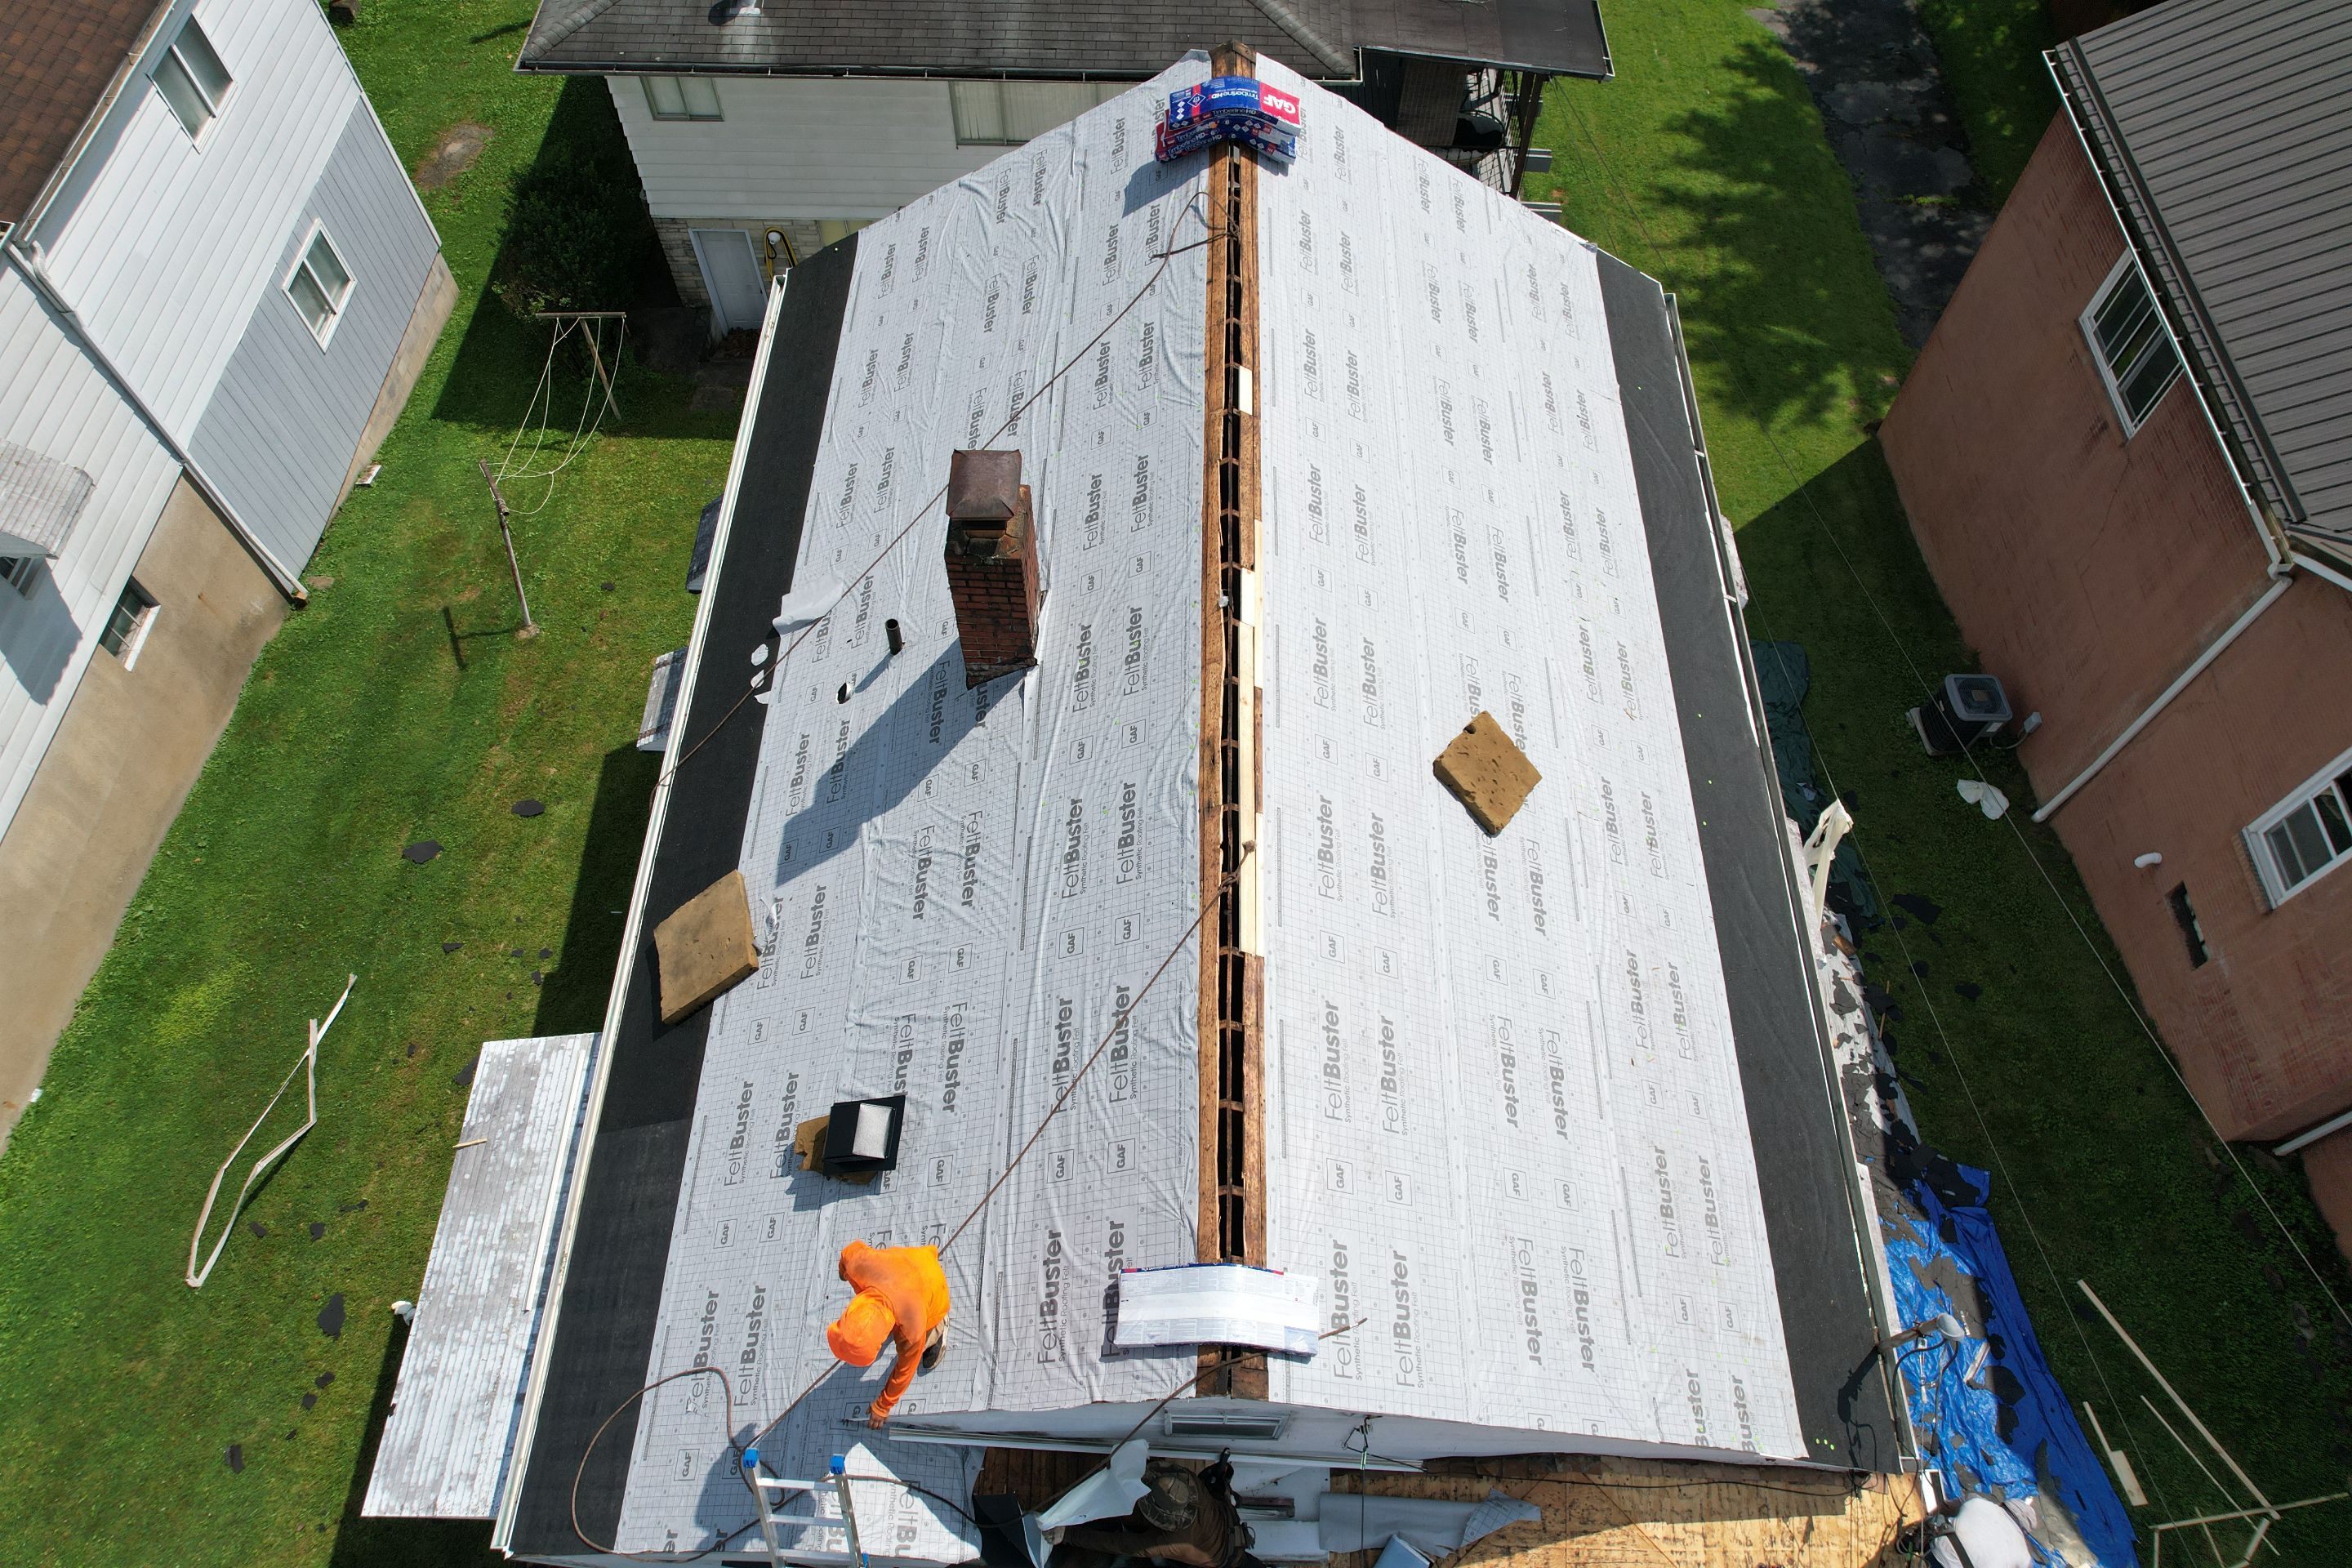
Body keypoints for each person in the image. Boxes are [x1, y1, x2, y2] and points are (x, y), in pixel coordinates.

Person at [825, 1240, 950, 1425]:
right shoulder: (859, 1264)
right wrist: (844, 1269)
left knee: (921, 1334)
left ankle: (939, 1327)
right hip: (911, 1260)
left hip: (934, 1286)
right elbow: (848, 1253)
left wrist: (883, 1405)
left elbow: (906, 1369)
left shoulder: (912, 1326)